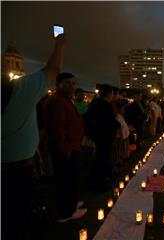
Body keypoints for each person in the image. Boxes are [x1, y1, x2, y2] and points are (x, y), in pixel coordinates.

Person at [1, 34, 66, 239]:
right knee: (16, 222)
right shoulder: (16, 90)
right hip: (15, 172)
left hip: (16, 169)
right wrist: (60, 44)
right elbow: (52, 70)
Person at [44, 72, 87, 222]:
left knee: (71, 179)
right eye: (67, 83)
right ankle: (66, 213)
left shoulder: (65, 99)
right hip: (65, 150)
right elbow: (57, 129)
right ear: (58, 84)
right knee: (65, 180)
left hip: (72, 146)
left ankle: (71, 204)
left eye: (73, 83)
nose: (71, 86)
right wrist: (67, 150)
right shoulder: (57, 101)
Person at [87, 84, 119, 192]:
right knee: (103, 159)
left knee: (98, 158)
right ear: (109, 93)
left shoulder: (94, 102)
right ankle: (100, 184)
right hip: (105, 136)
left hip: (97, 135)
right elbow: (109, 121)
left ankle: (95, 181)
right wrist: (117, 125)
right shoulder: (106, 105)